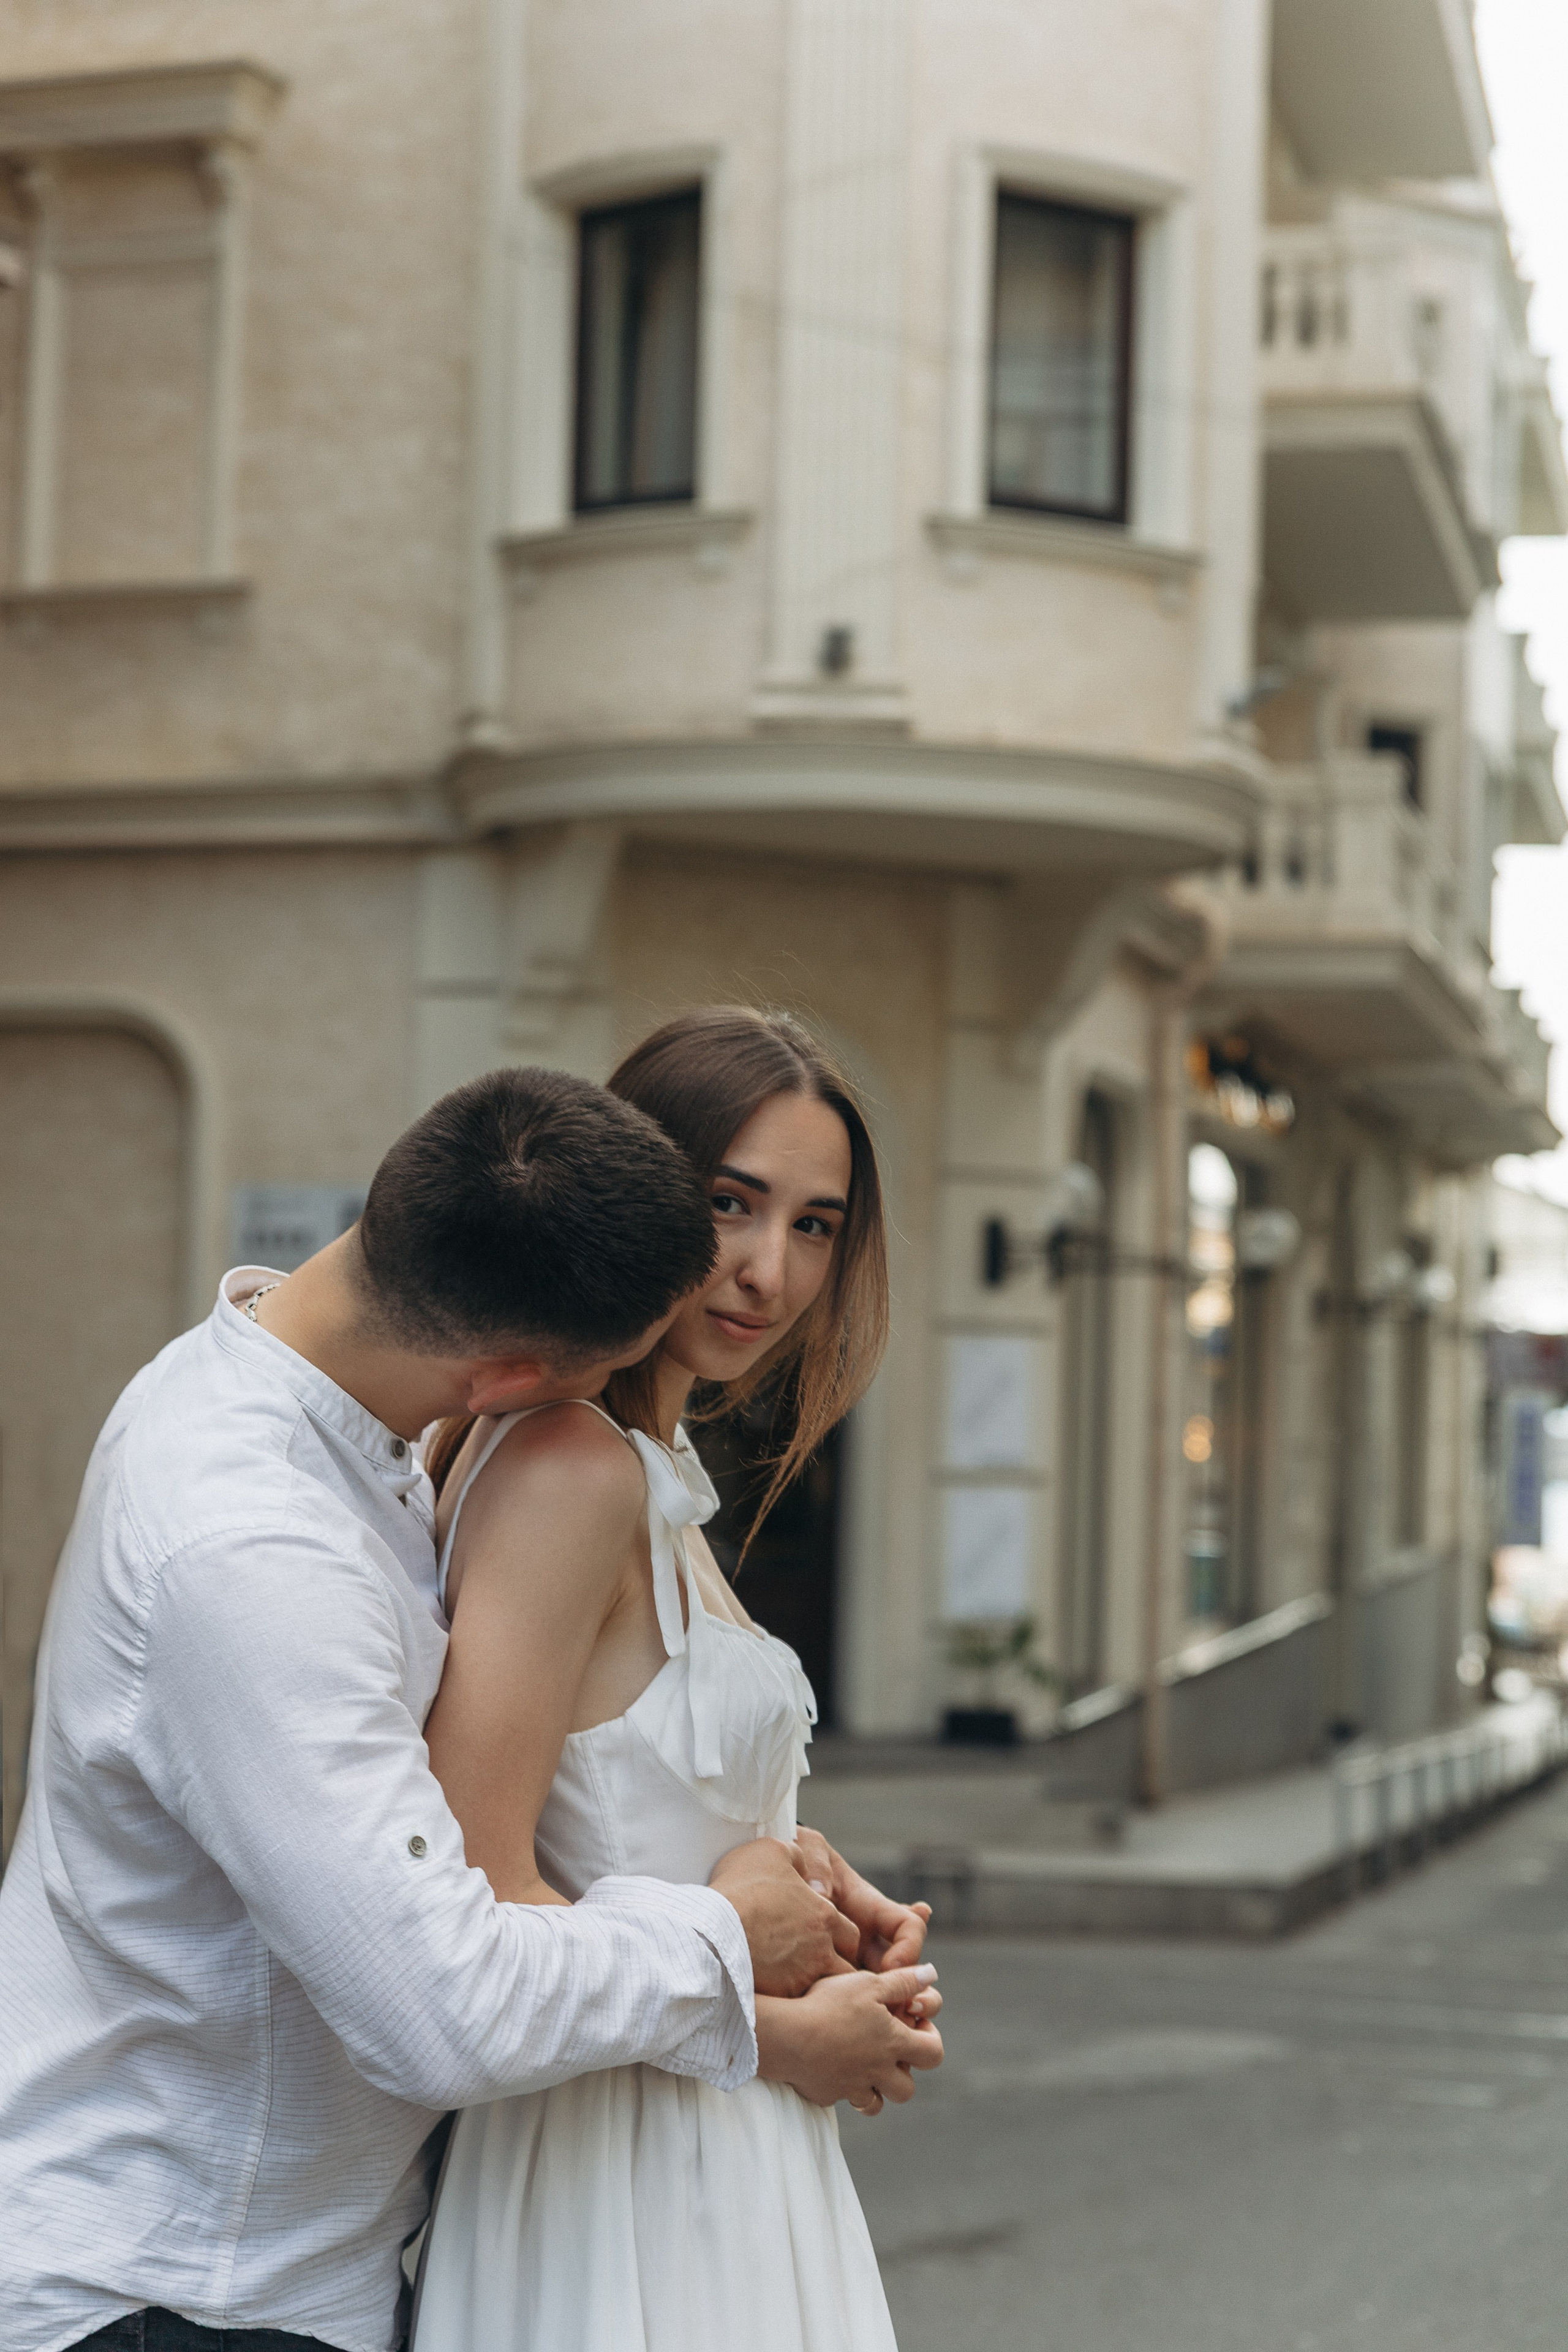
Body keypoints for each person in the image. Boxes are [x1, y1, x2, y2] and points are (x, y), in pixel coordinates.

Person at [0, 1065, 938, 2352]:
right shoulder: (249, 1542)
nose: (764, 1275)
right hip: (174, 2293)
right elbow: (439, 2005)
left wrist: (762, 1864)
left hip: (299, 2273)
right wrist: (728, 1943)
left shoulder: (301, 1411)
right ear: (507, 1379)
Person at [410, 1008, 940, 2352]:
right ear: (640, 1190)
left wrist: (804, 1881)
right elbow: (474, 1899)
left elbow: (614, 1797)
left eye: (815, 1225)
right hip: (615, 2161)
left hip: (710, 2142)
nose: (768, 1270)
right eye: (730, 1204)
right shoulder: (565, 1469)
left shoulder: (652, 1483)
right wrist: (782, 2038)